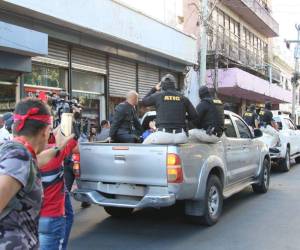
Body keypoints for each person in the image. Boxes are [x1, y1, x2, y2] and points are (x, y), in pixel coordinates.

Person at [0, 98, 52, 249]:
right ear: (44, 132)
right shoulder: (19, 156)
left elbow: (36, 162)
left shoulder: (13, 151)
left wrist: (60, 147)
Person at [38, 127, 77, 250]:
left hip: (31, 218)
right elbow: (76, 147)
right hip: (52, 218)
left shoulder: (19, 157)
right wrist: (62, 128)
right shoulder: (55, 154)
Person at [142, 74, 198, 144]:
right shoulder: (183, 98)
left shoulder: (158, 96)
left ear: (162, 85)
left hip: (162, 135)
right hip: (180, 136)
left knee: (143, 146)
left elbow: (144, 101)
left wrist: (154, 89)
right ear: (174, 85)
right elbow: (195, 116)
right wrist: (185, 121)